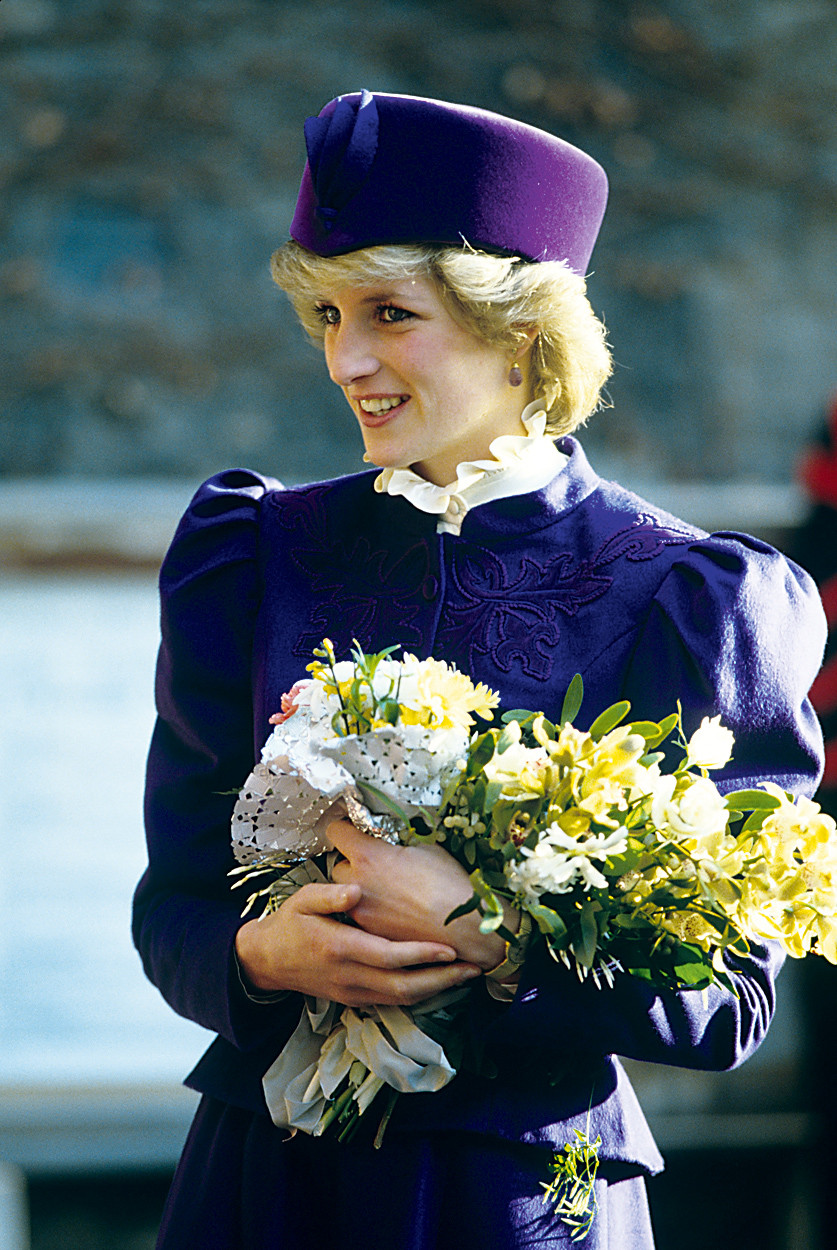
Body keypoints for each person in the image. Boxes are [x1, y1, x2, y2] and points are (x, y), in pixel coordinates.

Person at [133, 91, 825, 1249]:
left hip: (531, 1196)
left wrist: (490, 938)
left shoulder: (693, 596)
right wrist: (262, 953)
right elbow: (174, 905)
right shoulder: (250, 553)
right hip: (267, 1187)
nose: (347, 358)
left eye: (392, 313)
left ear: (522, 331)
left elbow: (728, 999)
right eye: (328, 314)